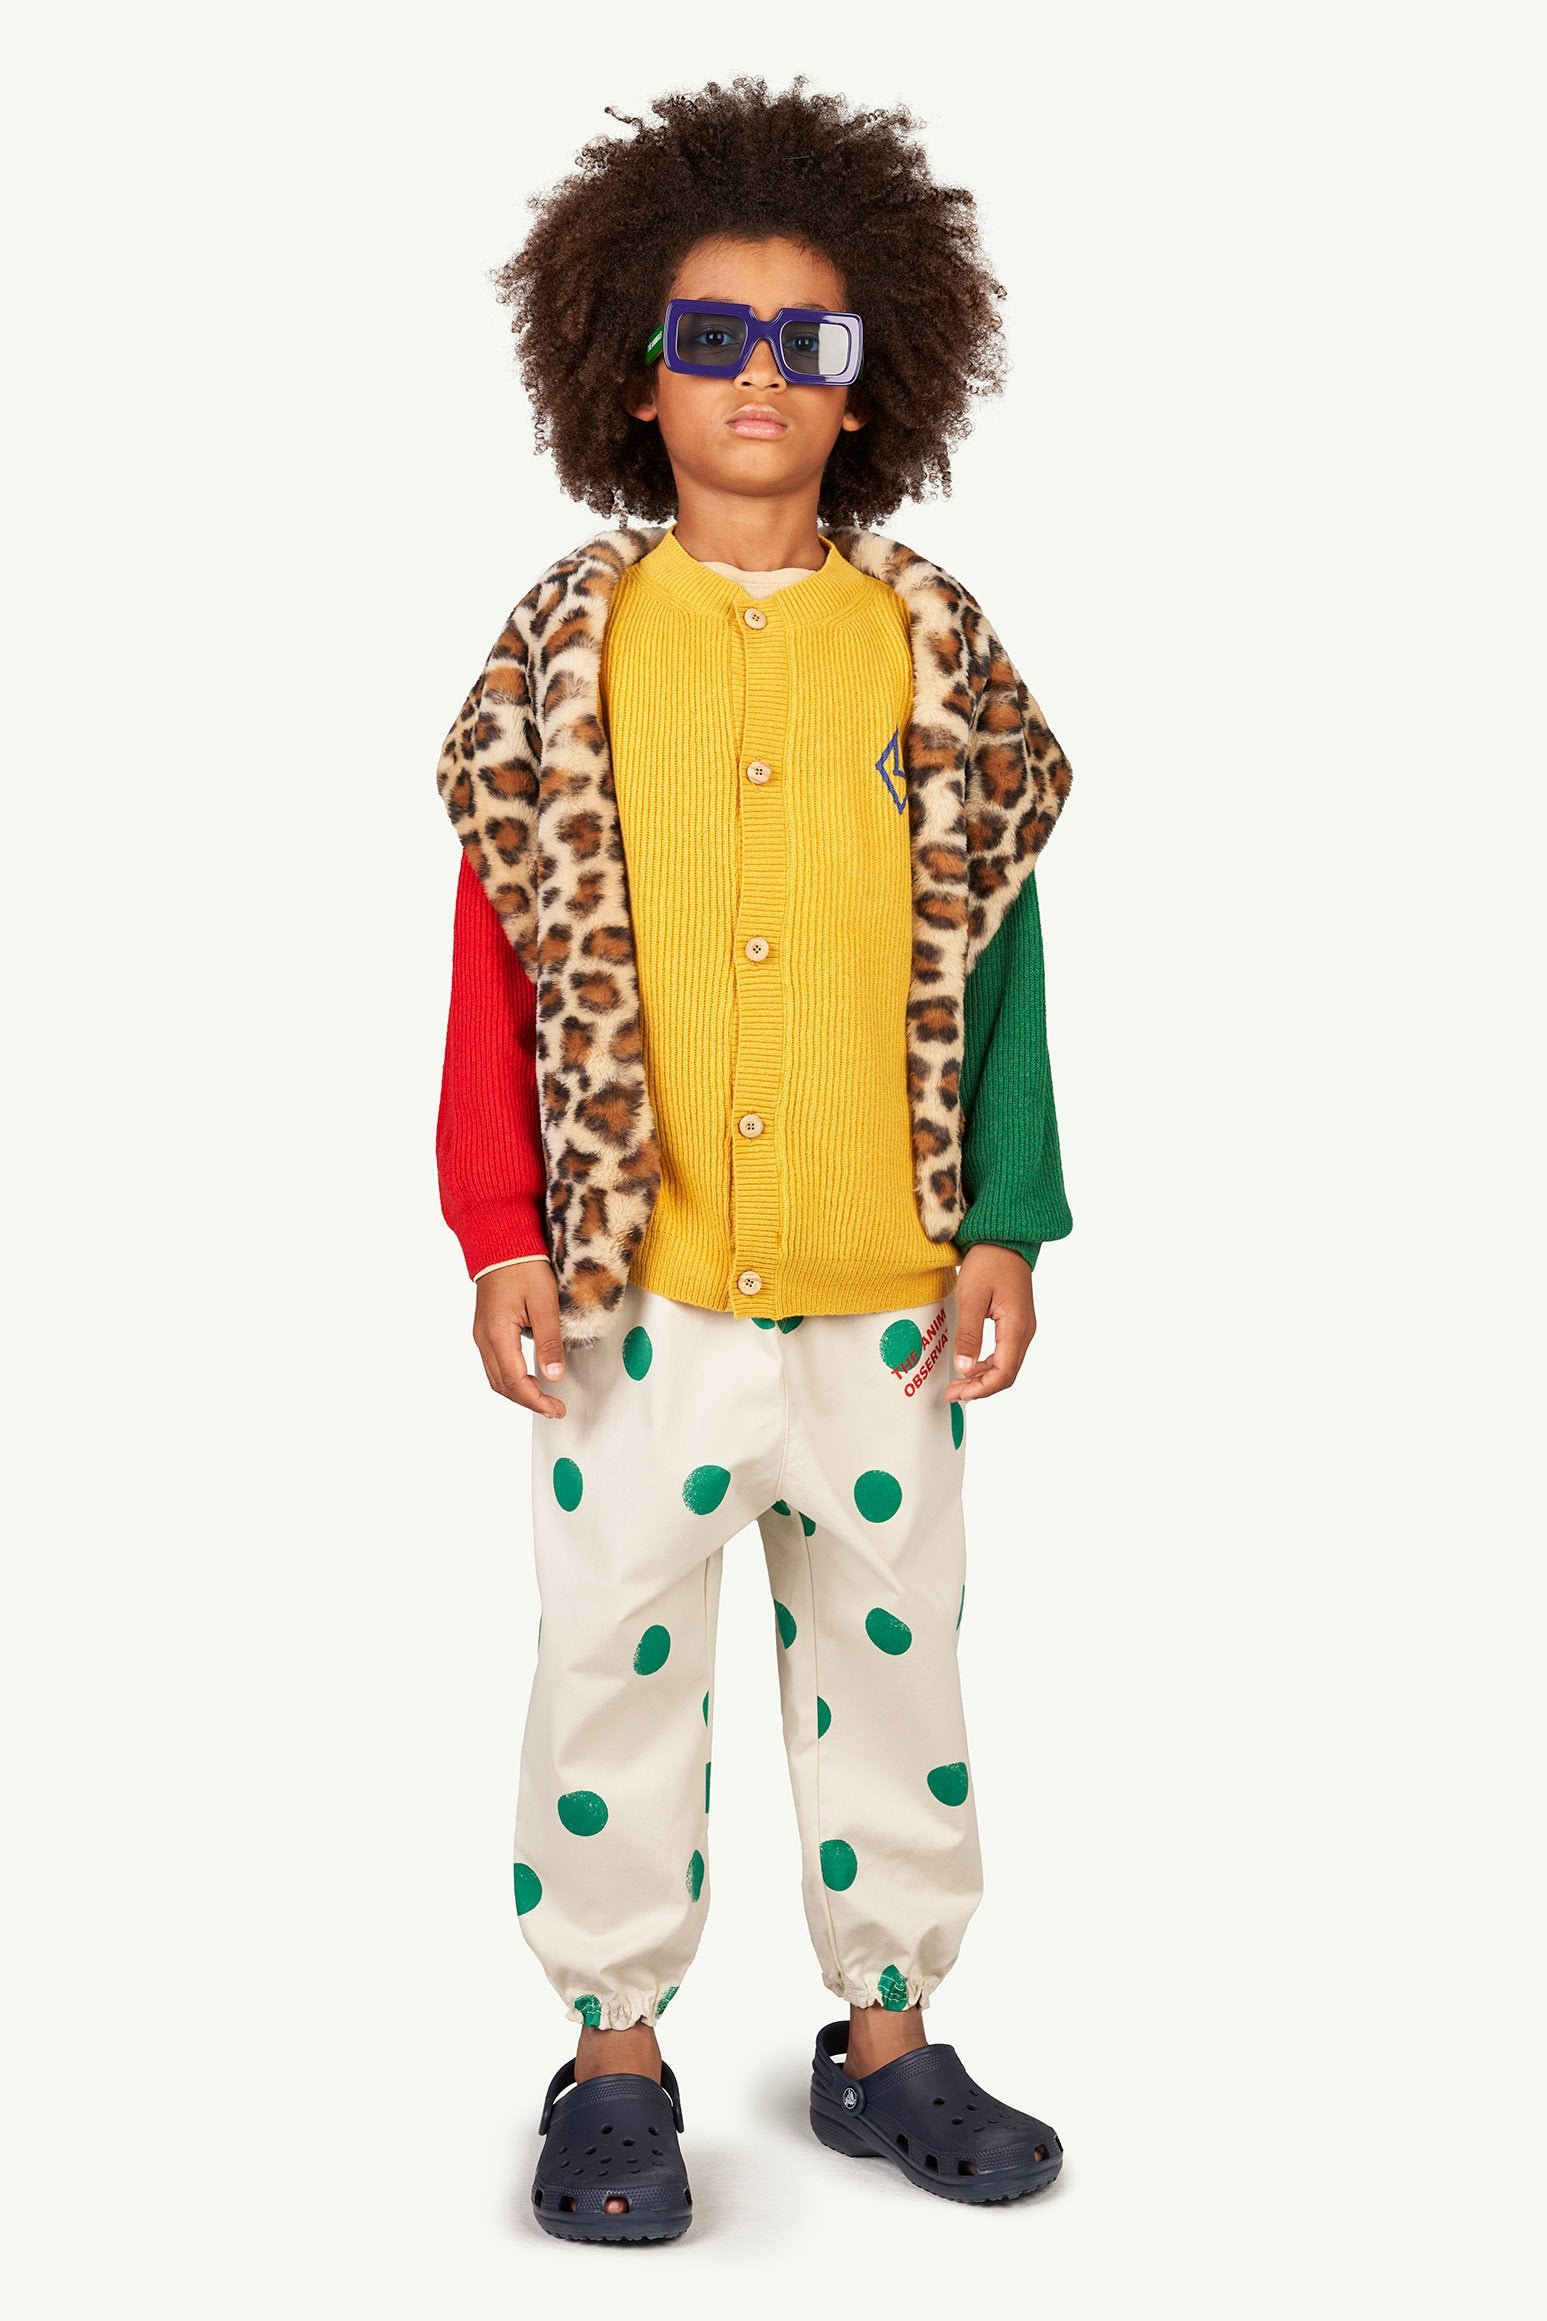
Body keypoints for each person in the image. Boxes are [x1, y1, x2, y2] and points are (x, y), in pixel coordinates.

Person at [434, 74, 1074, 2243]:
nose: (763, 378)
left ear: (874, 380)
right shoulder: (565, 652)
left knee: (896, 1660)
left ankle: (886, 2032)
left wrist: (1006, 1217)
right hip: (640, 1293)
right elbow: (499, 954)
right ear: (634, 371)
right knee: (610, 1661)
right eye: (713, 337)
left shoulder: (932, 649)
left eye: (813, 341)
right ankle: (613, 2053)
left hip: (886, 1293)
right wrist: (499, 1229)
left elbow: (1002, 953)